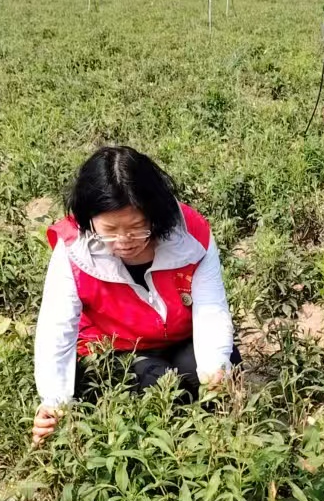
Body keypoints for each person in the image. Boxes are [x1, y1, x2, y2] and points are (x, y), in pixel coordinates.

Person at [32, 146, 236, 445]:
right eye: (110, 230)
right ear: (88, 220)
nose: (124, 241)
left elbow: (211, 310)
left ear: (156, 215)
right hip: (117, 346)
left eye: (137, 228)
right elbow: (57, 327)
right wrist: (54, 402)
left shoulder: (191, 237)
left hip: (181, 336)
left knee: (213, 376)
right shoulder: (74, 250)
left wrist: (216, 368)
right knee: (161, 387)